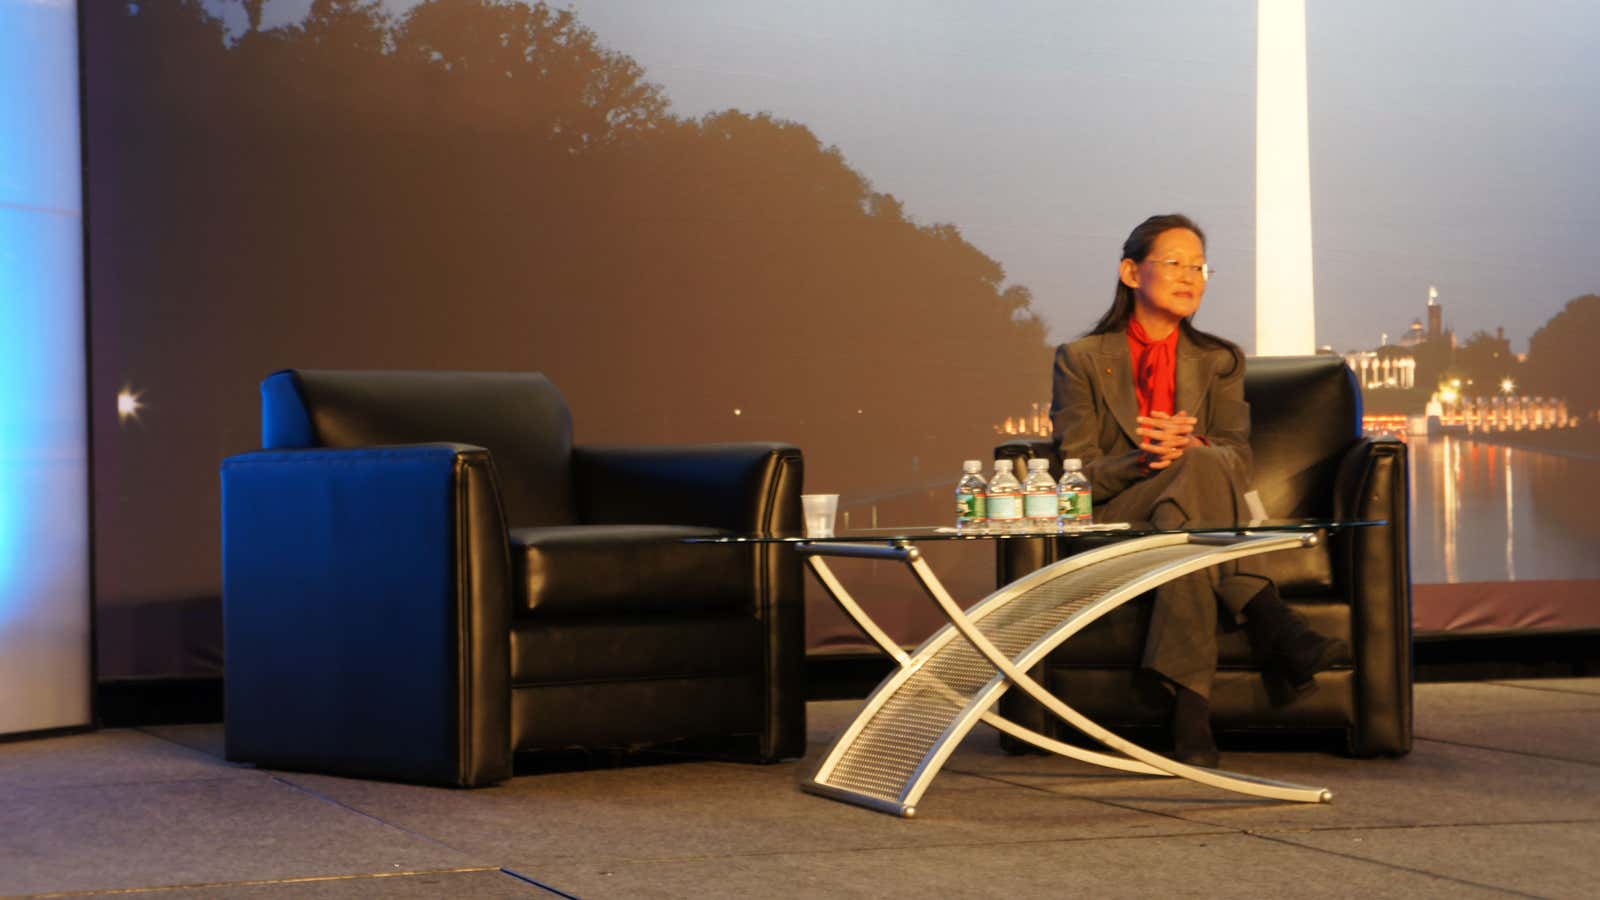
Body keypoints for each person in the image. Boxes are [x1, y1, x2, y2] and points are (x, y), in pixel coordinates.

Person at [1049, 213, 1346, 768]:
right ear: (1132, 272)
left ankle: (1190, 705)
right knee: (1197, 474)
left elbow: (1238, 457)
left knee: (1200, 475)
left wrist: (1188, 451)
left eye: (1200, 267)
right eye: (1175, 263)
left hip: (1184, 514)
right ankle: (1269, 617)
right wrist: (1144, 460)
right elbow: (1076, 477)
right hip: (1118, 511)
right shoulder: (1082, 359)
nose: (1192, 277)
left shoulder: (1219, 360)